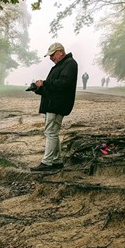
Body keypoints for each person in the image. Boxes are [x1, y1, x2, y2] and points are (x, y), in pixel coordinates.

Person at [30, 42, 78, 171]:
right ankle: (57, 161)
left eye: (52, 55)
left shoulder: (70, 64)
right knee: (53, 132)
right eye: (50, 56)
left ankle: (47, 162)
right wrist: (39, 89)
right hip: (54, 103)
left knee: (51, 132)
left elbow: (63, 84)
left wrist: (44, 83)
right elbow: (54, 87)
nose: (51, 58)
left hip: (57, 104)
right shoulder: (62, 65)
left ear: (60, 52)